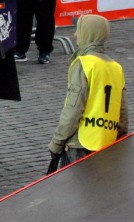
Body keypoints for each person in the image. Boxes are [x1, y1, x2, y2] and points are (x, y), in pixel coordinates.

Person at [48, 14, 128, 169]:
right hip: (106, 143)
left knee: (75, 192)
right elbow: (122, 115)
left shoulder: (84, 63)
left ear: (88, 33)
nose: (75, 34)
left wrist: (57, 142)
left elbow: (73, 109)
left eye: (78, 30)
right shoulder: (116, 67)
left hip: (80, 144)